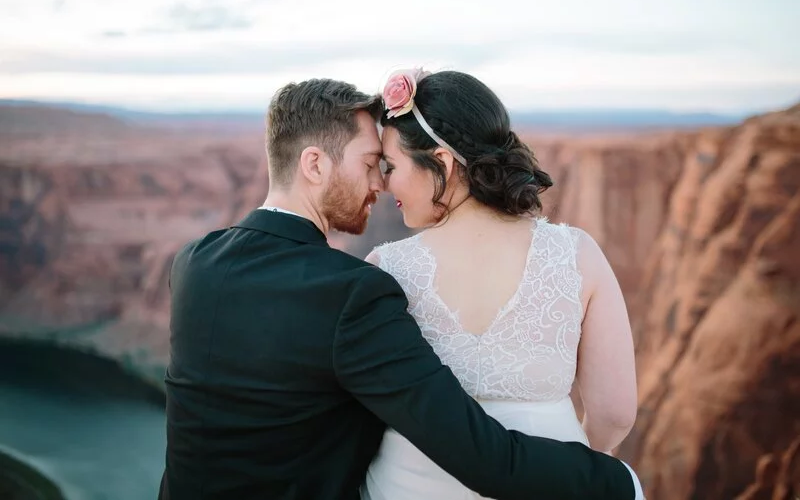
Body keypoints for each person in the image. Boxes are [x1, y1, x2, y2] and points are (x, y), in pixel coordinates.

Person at [158, 77, 643, 500]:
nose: (379, 184)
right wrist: (617, 483)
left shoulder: (194, 263)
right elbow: (485, 457)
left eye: (386, 165)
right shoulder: (354, 291)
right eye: (372, 163)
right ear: (314, 164)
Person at [361, 69, 640, 499]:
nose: (383, 184)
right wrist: (571, 466)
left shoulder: (386, 269)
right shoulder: (577, 254)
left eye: (391, 166)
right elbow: (615, 412)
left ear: (442, 162)